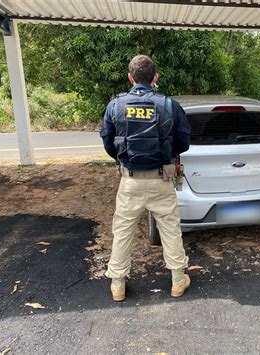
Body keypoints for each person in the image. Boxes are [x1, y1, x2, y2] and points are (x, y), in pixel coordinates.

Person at [100, 55, 191, 302]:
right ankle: (177, 281)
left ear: (130, 77)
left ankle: (117, 285)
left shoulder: (116, 106)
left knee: (123, 232)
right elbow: (184, 142)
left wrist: (124, 160)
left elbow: (108, 143)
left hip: (129, 181)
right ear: (155, 78)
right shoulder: (169, 105)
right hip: (161, 179)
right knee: (171, 230)